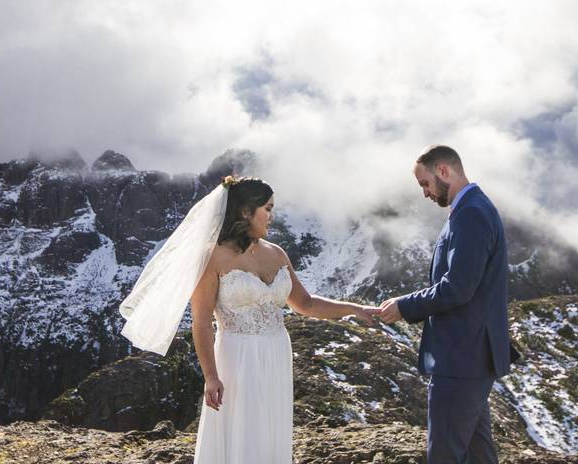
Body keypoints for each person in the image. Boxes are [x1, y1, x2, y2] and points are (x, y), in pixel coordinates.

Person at [120, 176, 379, 464]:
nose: (272, 215)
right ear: (246, 211)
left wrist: (354, 309)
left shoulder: (276, 253)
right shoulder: (213, 258)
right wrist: (211, 376)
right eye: (267, 208)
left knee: (270, 434)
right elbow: (202, 321)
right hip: (237, 357)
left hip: (277, 354)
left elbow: (305, 304)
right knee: (242, 435)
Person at [379, 145, 519, 464]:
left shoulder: (471, 213)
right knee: (477, 453)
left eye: (425, 184)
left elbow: (458, 288)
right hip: (470, 356)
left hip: (462, 357)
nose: (425, 193)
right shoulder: (470, 208)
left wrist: (404, 305)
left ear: (444, 171)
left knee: (444, 454)